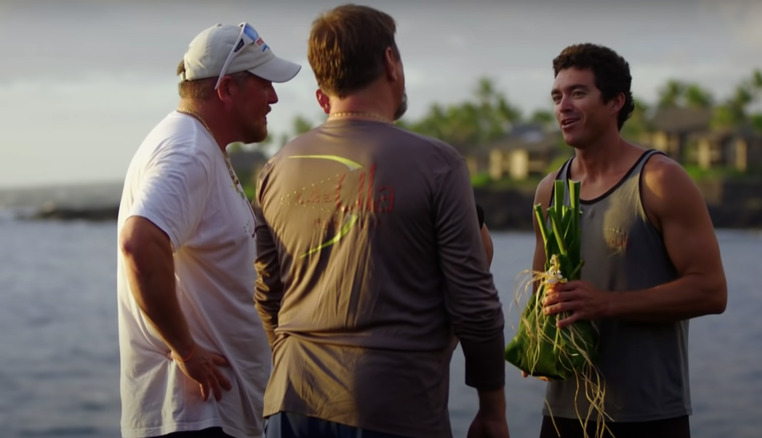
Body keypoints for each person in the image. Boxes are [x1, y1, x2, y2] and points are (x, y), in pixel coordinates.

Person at [253, 4, 508, 438]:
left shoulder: (274, 170)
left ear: (322, 89)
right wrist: (492, 409)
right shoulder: (438, 164)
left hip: (290, 403)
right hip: (395, 408)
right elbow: (474, 304)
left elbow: (267, 294)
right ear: (391, 62)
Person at [530, 43, 728, 438]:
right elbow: (542, 288)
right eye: (557, 96)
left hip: (648, 415)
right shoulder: (551, 190)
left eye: (578, 93)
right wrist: (537, 337)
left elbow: (711, 291)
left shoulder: (659, 180)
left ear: (615, 102)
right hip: (563, 413)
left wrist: (606, 304)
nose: (563, 106)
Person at [116, 22, 300, 438]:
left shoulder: (194, 143)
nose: (273, 97)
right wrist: (187, 351)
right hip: (196, 418)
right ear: (226, 89)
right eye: (263, 83)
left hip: (208, 415)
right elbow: (140, 243)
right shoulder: (188, 151)